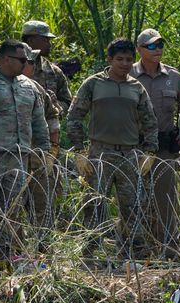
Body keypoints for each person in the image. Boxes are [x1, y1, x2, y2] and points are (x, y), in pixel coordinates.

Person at [66, 38, 158, 260]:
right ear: (109, 60)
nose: (125, 64)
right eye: (119, 59)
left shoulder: (136, 87)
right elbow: (74, 117)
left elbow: (150, 121)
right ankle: (90, 255)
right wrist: (79, 150)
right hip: (100, 153)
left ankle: (132, 256)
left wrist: (150, 152)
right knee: (95, 205)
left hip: (129, 154)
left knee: (133, 207)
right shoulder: (93, 84)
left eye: (128, 60)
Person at [0, 39, 50, 261]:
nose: (26, 64)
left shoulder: (29, 86)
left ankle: (4, 253)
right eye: (22, 60)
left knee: (11, 209)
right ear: (6, 59)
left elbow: (38, 121)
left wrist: (43, 152)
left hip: (18, 157)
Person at [130, 28, 180, 259]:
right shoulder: (129, 74)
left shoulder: (173, 77)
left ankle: (169, 250)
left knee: (166, 200)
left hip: (164, 148)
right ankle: (139, 249)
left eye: (160, 45)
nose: (158, 49)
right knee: (135, 199)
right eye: (151, 46)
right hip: (134, 147)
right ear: (140, 49)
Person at [22, 42, 61, 237]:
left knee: (42, 204)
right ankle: (7, 249)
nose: (33, 67)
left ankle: (43, 247)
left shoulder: (36, 88)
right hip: (3, 156)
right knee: (7, 205)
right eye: (30, 62)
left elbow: (52, 118)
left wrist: (52, 151)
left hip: (37, 156)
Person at [21, 20, 72, 120]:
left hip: (47, 130)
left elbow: (67, 102)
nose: (49, 44)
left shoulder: (54, 72)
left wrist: (54, 107)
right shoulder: (12, 66)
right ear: (31, 41)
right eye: (45, 40)